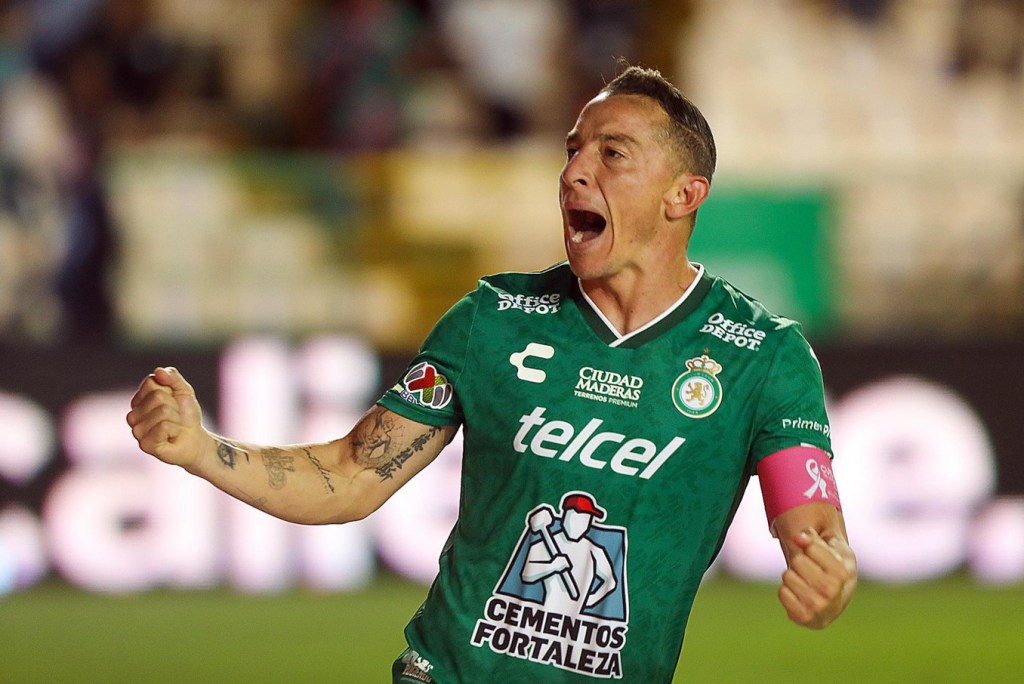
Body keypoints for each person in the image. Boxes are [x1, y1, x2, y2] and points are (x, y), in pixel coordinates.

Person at [127, 65, 857, 683]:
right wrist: (199, 450)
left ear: (683, 195)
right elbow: (351, 474)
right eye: (574, 150)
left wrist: (827, 581)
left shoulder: (762, 355)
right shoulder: (494, 319)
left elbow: (815, 534)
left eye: (613, 153)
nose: (574, 171)